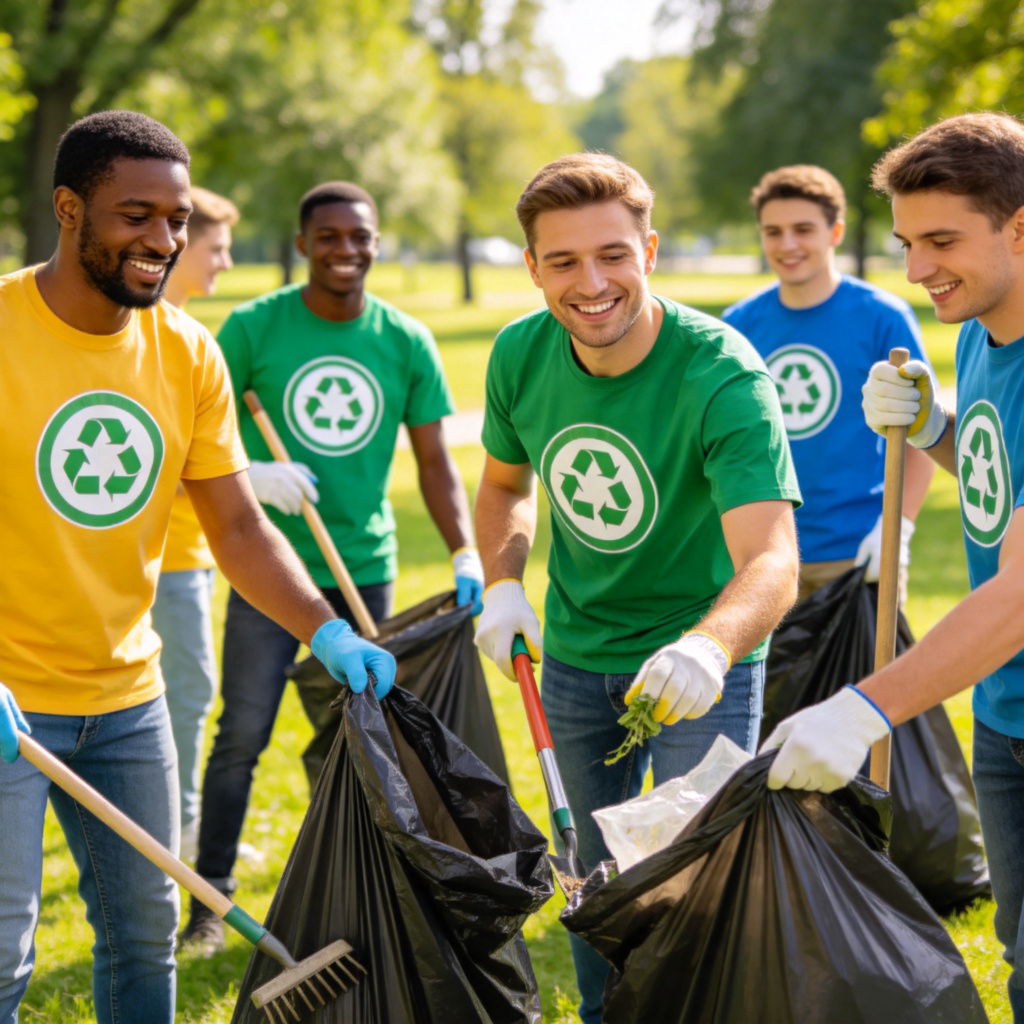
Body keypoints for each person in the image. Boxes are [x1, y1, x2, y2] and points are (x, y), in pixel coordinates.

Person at [0, 111, 395, 1024]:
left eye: (176, 219)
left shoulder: (185, 352)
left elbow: (238, 526)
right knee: (5, 948)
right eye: (136, 215)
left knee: (146, 937)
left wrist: (323, 628)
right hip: (11, 698)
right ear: (68, 209)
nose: (164, 241)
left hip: (126, 701)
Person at [472, 152, 802, 1023]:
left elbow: (772, 558)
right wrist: (503, 583)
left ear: (650, 250)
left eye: (613, 254)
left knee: (692, 894)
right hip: (576, 660)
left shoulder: (721, 373)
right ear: (533, 267)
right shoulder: (519, 353)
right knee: (594, 892)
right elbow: (505, 484)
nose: (591, 283)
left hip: (700, 670)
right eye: (563, 261)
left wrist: (709, 646)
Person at [763, 111, 1024, 1023]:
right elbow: (1000, 480)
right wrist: (938, 430)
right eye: (910, 242)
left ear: (1021, 225)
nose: (916, 271)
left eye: (942, 240)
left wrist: (866, 705)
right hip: (1007, 714)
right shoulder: (983, 336)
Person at [181, 180, 484, 952]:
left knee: (355, 739)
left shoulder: (405, 340)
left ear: (376, 241)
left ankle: (358, 892)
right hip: (270, 572)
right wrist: (253, 474)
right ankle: (209, 906)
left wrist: (463, 547)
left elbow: (435, 464)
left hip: (364, 570)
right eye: (330, 238)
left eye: (360, 237)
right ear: (301, 245)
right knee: (241, 736)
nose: (346, 251)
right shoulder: (253, 327)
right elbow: (192, 432)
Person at [723, 165, 934, 601]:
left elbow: (925, 433)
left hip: (857, 552)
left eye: (803, 229)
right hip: (763, 555)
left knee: (872, 674)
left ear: (835, 231)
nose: (788, 244)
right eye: (773, 231)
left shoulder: (882, 317)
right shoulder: (738, 326)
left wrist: (900, 530)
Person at [155, 185, 239, 862]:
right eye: (216, 248)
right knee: (187, 696)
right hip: (167, 562)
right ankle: (179, 835)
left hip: (191, 556)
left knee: (187, 696)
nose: (225, 262)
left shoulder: (192, 340)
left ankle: (175, 828)